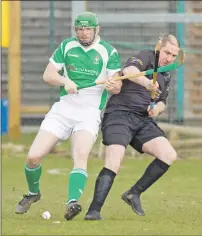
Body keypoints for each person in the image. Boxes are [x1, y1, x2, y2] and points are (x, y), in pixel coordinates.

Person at [15, 11, 122, 221]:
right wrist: (65, 81)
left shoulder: (108, 51)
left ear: (96, 29)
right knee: (33, 157)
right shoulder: (67, 46)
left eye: (88, 29)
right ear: (75, 30)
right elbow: (48, 74)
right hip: (63, 110)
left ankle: (72, 202)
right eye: (80, 29)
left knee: (80, 156)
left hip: (89, 113)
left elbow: (117, 85)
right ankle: (33, 193)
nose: (83, 33)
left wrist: (113, 85)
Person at [84, 35, 180, 220]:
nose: (169, 58)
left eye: (174, 56)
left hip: (143, 120)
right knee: (114, 160)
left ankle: (133, 193)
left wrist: (157, 110)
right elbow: (129, 69)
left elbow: (163, 101)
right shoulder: (146, 56)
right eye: (167, 53)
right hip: (120, 114)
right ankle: (93, 211)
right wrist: (146, 83)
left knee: (168, 155)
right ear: (159, 48)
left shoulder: (166, 74)